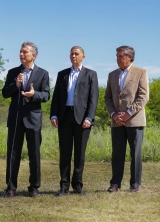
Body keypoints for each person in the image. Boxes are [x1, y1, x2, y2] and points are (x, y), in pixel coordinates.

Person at [2, 41, 50, 198]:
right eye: (20, 52)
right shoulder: (13, 72)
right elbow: (5, 93)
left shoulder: (43, 73)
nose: (21, 54)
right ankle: (10, 187)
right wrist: (16, 84)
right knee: (13, 154)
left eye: (25, 52)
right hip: (15, 119)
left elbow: (46, 95)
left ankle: (34, 187)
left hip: (33, 119)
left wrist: (34, 95)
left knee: (34, 155)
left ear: (33, 55)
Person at [50, 46, 99, 196]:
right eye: (71, 53)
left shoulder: (91, 74)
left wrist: (89, 117)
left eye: (77, 54)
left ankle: (77, 185)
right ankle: (63, 186)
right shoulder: (62, 74)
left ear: (83, 56)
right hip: (64, 117)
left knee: (80, 154)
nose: (73, 56)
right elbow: (56, 97)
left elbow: (93, 98)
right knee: (65, 153)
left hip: (82, 119)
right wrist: (53, 115)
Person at [104, 45, 149, 193]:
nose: (118, 59)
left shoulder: (141, 73)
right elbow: (108, 98)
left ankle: (135, 183)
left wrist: (128, 113)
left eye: (121, 56)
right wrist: (114, 114)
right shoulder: (112, 75)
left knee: (135, 152)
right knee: (117, 153)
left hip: (134, 120)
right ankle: (115, 183)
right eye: (116, 56)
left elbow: (143, 97)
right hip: (116, 121)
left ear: (130, 57)